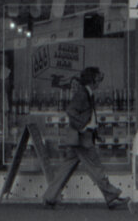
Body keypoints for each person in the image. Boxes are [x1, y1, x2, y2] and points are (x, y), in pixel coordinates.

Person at [42, 66, 124, 209]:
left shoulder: (87, 93)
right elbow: (71, 111)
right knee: (96, 167)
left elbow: (87, 115)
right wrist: (83, 126)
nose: (100, 82)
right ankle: (111, 195)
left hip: (79, 138)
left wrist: (93, 132)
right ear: (92, 80)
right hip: (82, 138)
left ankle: (50, 197)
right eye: (98, 79)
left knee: (66, 168)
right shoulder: (83, 94)